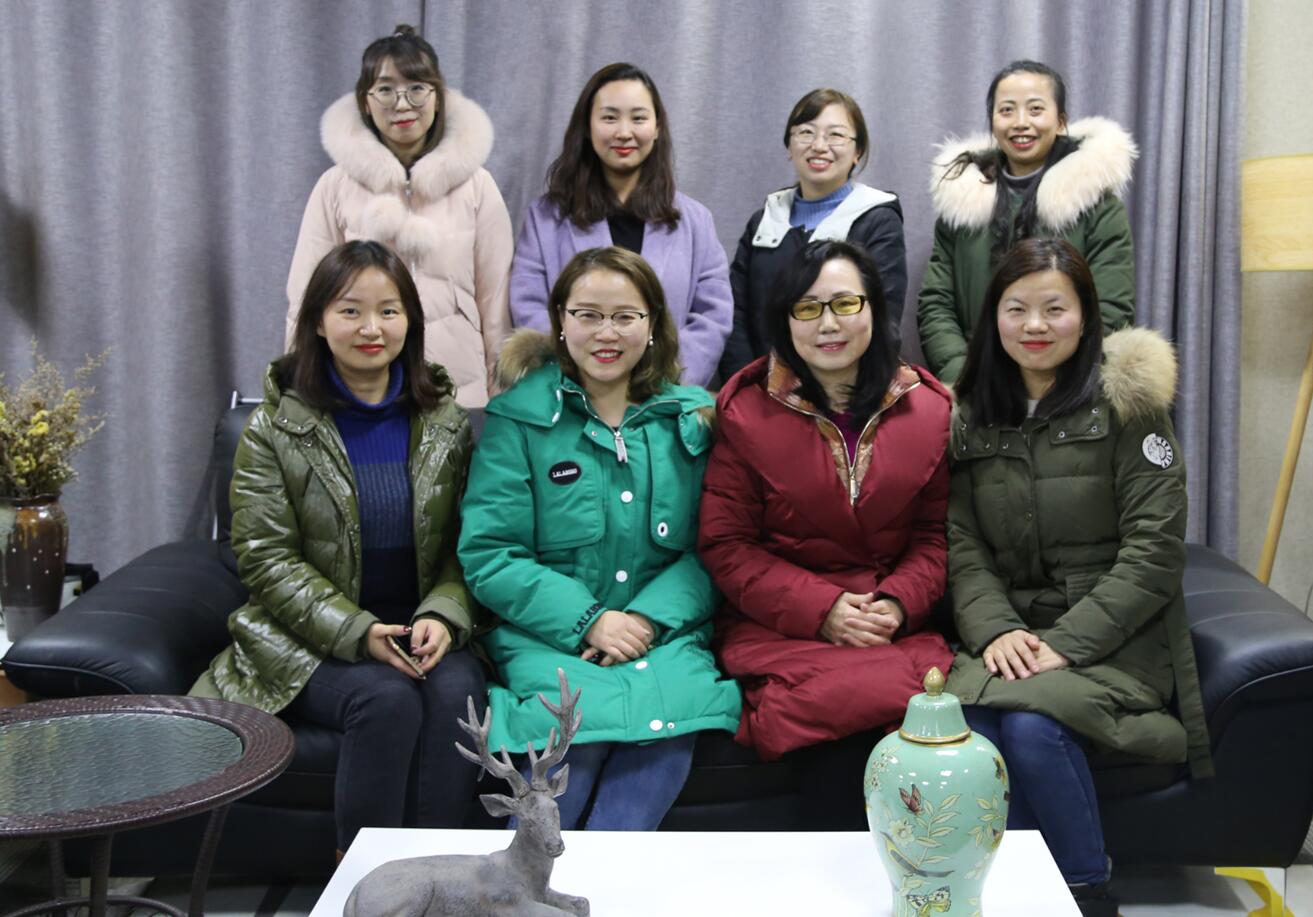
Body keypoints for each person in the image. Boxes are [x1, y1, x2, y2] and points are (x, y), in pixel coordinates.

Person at [944, 238, 1211, 916]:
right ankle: (1000, 896)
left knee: (1033, 728)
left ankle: (1086, 892)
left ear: (1086, 315)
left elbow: (1154, 550)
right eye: (1016, 308)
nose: (1034, 325)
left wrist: (1064, 643)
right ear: (993, 317)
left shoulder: (1129, 406)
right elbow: (961, 543)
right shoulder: (970, 414)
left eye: (1054, 308)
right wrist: (996, 629)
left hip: (1114, 637)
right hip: (1011, 634)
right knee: (966, 728)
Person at [194, 240, 485, 857]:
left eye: (389, 311)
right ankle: (363, 881)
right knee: (385, 699)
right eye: (350, 310)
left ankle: (441, 873)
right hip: (306, 637)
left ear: (410, 322)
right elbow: (266, 560)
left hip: (422, 627)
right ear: (319, 323)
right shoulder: (273, 430)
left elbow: (471, 545)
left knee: (457, 691)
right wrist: (357, 631)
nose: (371, 328)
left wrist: (444, 613)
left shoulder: (446, 423)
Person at [459, 246, 741, 830]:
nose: (606, 333)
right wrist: (589, 619)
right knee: (557, 793)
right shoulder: (518, 419)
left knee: (649, 771)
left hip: (663, 642)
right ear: (560, 321)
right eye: (588, 315)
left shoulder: (696, 418)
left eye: (625, 316)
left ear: (652, 323)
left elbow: (721, 546)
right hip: (552, 643)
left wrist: (646, 620)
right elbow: (491, 554)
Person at [699, 239, 954, 785]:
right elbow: (728, 546)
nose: (828, 324)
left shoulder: (929, 409)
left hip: (889, 622)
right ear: (784, 319)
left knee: (918, 726)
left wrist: (899, 602)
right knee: (820, 717)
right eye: (808, 308)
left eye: (845, 303)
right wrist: (822, 609)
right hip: (784, 625)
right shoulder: (746, 412)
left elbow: (934, 536)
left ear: (874, 309)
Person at [286, 24, 513, 408]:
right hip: (358, 386)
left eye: (417, 88)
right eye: (386, 90)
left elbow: (496, 300)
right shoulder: (335, 186)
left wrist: (503, 397)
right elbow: (305, 295)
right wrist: (298, 391)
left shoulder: (477, 185)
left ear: (438, 98)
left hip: (459, 386)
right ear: (365, 101)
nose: (403, 104)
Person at [509, 63, 732, 388]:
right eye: (610, 118)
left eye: (638, 118)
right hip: (572, 394)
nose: (624, 132)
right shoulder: (545, 218)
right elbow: (529, 306)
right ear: (587, 127)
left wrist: (665, 380)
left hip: (667, 395)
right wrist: (585, 377)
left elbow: (713, 316)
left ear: (657, 128)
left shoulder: (696, 221)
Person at [917, 60, 1137, 385]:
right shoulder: (962, 201)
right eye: (1007, 110)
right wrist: (964, 376)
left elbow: (1111, 307)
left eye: (1035, 109)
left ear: (1060, 121)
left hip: (1064, 389)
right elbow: (936, 303)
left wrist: (1048, 382)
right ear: (993, 122)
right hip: (976, 386)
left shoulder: (1096, 205)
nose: (1021, 123)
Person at [720, 88, 908, 378]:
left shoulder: (877, 219)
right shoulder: (764, 221)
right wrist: (747, 384)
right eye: (806, 133)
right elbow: (736, 314)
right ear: (789, 146)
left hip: (844, 387)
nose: (819, 146)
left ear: (858, 152)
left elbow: (883, 321)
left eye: (836, 135)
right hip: (761, 386)